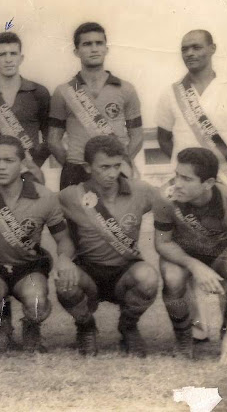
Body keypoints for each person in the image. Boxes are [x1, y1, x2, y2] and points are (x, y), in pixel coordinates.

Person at [155, 29, 227, 344]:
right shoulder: (171, 93)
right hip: (188, 183)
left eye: (196, 47)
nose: (190, 53)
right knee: (187, 246)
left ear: (212, 48)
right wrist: (188, 170)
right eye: (185, 48)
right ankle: (195, 328)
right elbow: (164, 138)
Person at [0, 135, 75, 355]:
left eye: (8, 160)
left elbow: (63, 239)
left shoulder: (44, 197)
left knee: (37, 302)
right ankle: (0, 326)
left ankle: (31, 327)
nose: (1, 166)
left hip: (28, 268)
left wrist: (64, 259)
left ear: (22, 163)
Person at [57, 135, 160, 357]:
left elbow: (172, 206)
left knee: (149, 278)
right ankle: (86, 327)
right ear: (87, 167)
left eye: (116, 166)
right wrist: (63, 258)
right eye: (104, 167)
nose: (112, 173)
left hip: (126, 270)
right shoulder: (71, 196)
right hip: (88, 270)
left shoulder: (141, 191)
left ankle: (128, 327)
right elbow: (41, 209)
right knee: (65, 283)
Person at [154, 148, 227, 364]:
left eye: (187, 179)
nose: (177, 183)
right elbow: (162, 242)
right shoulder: (164, 196)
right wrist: (195, 265)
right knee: (172, 277)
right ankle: (183, 336)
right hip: (183, 253)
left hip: (218, 254)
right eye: (177, 175)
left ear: (208, 183)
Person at [48, 22, 143, 190]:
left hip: (115, 170)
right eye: (87, 44)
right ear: (76, 51)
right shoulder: (64, 91)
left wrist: (121, 162)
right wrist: (72, 166)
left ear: (106, 49)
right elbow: (53, 140)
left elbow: (137, 136)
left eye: (99, 43)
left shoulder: (126, 89)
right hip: (77, 170)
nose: (94, 49)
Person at [0, 32, 50, 184]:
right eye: (2, 54)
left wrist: (34, 163)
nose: (8, 59)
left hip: (29, 172)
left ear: (21, 58)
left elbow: (49, 136)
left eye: (13, 53)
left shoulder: (39, 93)